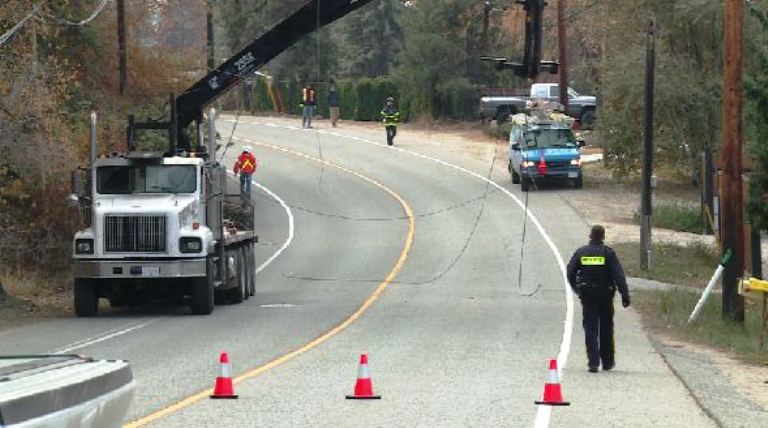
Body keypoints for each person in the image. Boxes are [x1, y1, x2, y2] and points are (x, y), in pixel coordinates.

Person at [566, 225, 631, 373]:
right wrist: (625, 295)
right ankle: (607, 362)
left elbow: (570, 273)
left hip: (587, 294)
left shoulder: (581, 252)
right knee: (606, 327)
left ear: (590, 236)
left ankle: (593, 363)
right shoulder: (608, 253)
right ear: (603, 237)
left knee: (590, 327)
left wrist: (577, 289)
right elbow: (618, 276)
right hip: (605, 294)